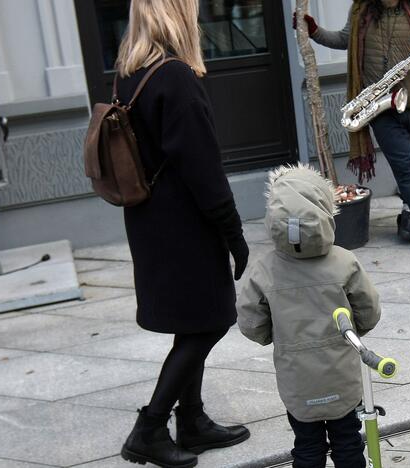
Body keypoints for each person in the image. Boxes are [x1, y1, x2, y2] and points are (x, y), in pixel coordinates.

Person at [115, 1, 250, 466]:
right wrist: (234, 233)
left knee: (193, 321)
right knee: (211, 321)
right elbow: (204, 171)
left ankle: (191, 421)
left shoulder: (131, 71)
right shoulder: (175, 77)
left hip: (153, 222)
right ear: (179, 13)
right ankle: (149, 428)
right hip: (185, 226)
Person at [237, 164, 381, 468]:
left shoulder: (264, 270)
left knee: (306, 445)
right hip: (342, 376)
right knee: (348, 443)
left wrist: (275, 336)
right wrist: (353, 332)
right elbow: (369, 310)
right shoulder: (345, 262)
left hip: (297, 379)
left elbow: (251, 323)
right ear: (325, 210)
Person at [295, 0, 410, 253]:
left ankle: (407, 215)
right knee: (405, 167)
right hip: (380, 106)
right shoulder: (362, 13)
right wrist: (314, 31)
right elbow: (343, 40)